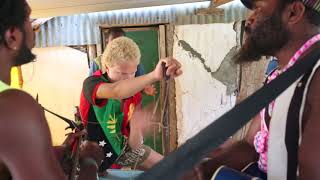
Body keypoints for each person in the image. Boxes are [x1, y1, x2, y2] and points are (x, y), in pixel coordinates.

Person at [183, 0, 320, 179]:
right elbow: (250, 146)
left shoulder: (315, 77)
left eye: (258, 9)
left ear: (293, 12)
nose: (249, 19)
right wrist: (201, 171)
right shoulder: (278, 73)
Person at [0, 0, 103, 179]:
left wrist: (54, 152)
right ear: (12, 37)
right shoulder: (13, 105)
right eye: (29, 21)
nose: (34, 30)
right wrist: (90, 162)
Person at [79, 36, 182, 175]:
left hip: (120, 150)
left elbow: (134, 145)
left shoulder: (135, 95)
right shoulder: (92, 84)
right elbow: (117, 91)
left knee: (173, 167)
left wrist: (137, 128)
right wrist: (154, 76)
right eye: (121, 73)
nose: (127, 78)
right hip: (88, 155)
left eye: (132, 73)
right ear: (107, 67)